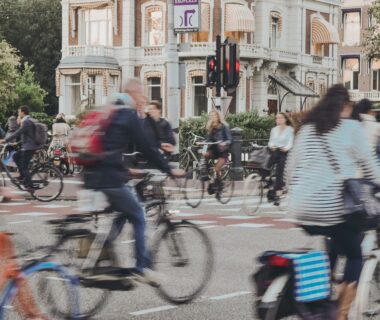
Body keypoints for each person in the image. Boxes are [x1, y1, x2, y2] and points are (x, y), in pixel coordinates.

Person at [286, 84, 380, 320]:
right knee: (355, 251)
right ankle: (340, 314)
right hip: (331, 208)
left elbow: (289, 171)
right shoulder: (351, 127)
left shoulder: (307, 129)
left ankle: (321, 296)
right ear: (346, 106)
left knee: (335, 236)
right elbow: (371, 169)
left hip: (299, 207)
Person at [83, 78, 183, 282]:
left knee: (122, 213)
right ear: (134, 93)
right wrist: (168, 169)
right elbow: (146, 146)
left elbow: (111, 147)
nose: (144, 99)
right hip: (108, 178)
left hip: (95, 174)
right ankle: (141, 268)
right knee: (138, 214)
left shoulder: (110, 110)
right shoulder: (127, 114)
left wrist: (128, 170)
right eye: (142, 94)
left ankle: (99, 257)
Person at [0, 106, 39, 189]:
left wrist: (5, 140)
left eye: (19, 112)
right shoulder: (26, 121)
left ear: (23, 112)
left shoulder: (26, 122)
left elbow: (17, 133)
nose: (18, 113)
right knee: (15, 156)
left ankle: (30, 186)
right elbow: (27, 136)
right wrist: (17, 143)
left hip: (29, 148)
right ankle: (22, 176)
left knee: (24, 167)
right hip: (27, 146)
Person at [268, 112, 294, 205]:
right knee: (265, 165)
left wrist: (286, 148)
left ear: (285, 119)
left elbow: (290, 142)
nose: (278, 120)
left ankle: (277, 195)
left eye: (280, 118)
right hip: (274, 151)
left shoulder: (290, 129)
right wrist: (272, 146)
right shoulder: (274, 129)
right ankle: (268, 184)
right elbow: (270, 141)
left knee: (280, 171)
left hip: (284, 152)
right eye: (276, 118)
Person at [203, 109, 232, 194]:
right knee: (205, 157)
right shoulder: (211, 128)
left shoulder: (224, 127)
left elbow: (230, 139)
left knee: (217, 168)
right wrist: (204, 150)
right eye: (211, 116)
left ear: (218, 117)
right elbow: (207, 141)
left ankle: (220, 185)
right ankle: (206, 175)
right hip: (214, 151)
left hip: (222, 153)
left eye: (214, 116)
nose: (213, 118)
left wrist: (224, 143)